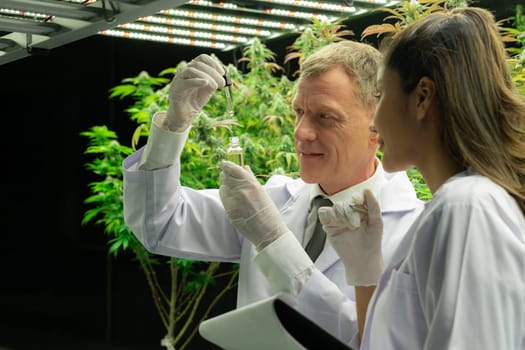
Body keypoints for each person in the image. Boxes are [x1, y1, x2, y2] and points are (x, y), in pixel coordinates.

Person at [122, 40, 424, 344]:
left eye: (325, 117)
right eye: (298, 112)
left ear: (377, 124)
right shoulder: (272, 201)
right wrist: (174, 124)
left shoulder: (414, 231)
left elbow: (373, 338)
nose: (301, 132)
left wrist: (274, 242)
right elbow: (158, 222)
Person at [315, 6, 525, 350]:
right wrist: (366, 276)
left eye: (381, 95)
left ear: (423, 98)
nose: (374, 121)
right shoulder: (460, 203)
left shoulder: (467, 205)